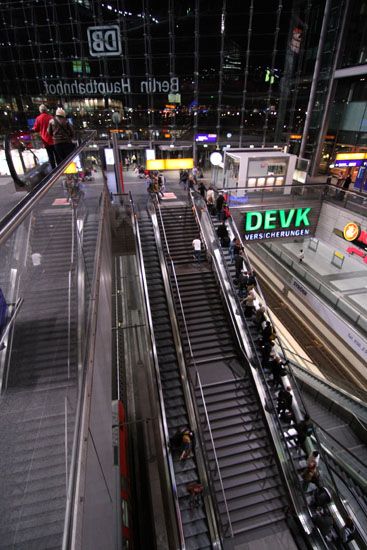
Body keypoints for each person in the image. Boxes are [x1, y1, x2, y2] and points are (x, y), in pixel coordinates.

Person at [32, 104, 57, 169]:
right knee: (57, 154)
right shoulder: (51, 117)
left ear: (40, 111)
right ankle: (59, 168)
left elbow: (36, 129)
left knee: (50, 155)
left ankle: (54, 169)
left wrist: (33, 129)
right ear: (46, 110)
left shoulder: (38, 118)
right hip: (54, 139)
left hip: (45, 140)